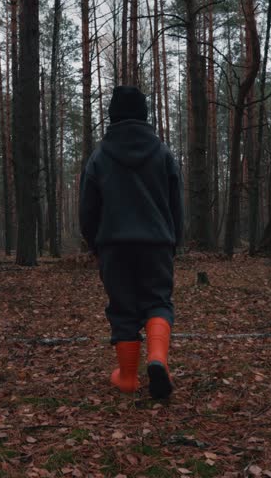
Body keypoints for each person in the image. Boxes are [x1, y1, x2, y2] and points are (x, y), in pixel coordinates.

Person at [79, 86, 183, 400]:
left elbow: (87, 208)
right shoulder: (162, 153)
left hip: (114, 246)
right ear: (144, 115)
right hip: (157, 244)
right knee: (158, 302)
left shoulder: (99, 156)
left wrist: (94, 244)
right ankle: (157, 359)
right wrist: (173, 240)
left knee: (123, 309)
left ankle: (126, 378)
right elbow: (176, 204)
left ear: (113, 116)